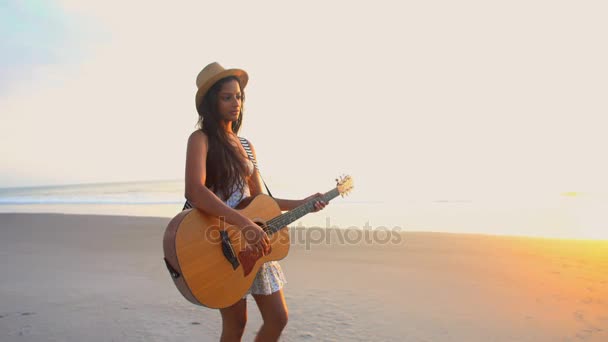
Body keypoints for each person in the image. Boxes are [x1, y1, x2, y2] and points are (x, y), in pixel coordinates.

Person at [183, 62, 328, 342]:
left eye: (238, 96)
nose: (235, 103)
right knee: (237, 323)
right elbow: (195, 191)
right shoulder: (200, 139)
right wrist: (244, 224)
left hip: (254, 239)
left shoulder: (246, 145)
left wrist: (304, 202)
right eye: (227, 97)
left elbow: (261, 202)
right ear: (211, 102)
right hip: (219, 241)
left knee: (278, 318)